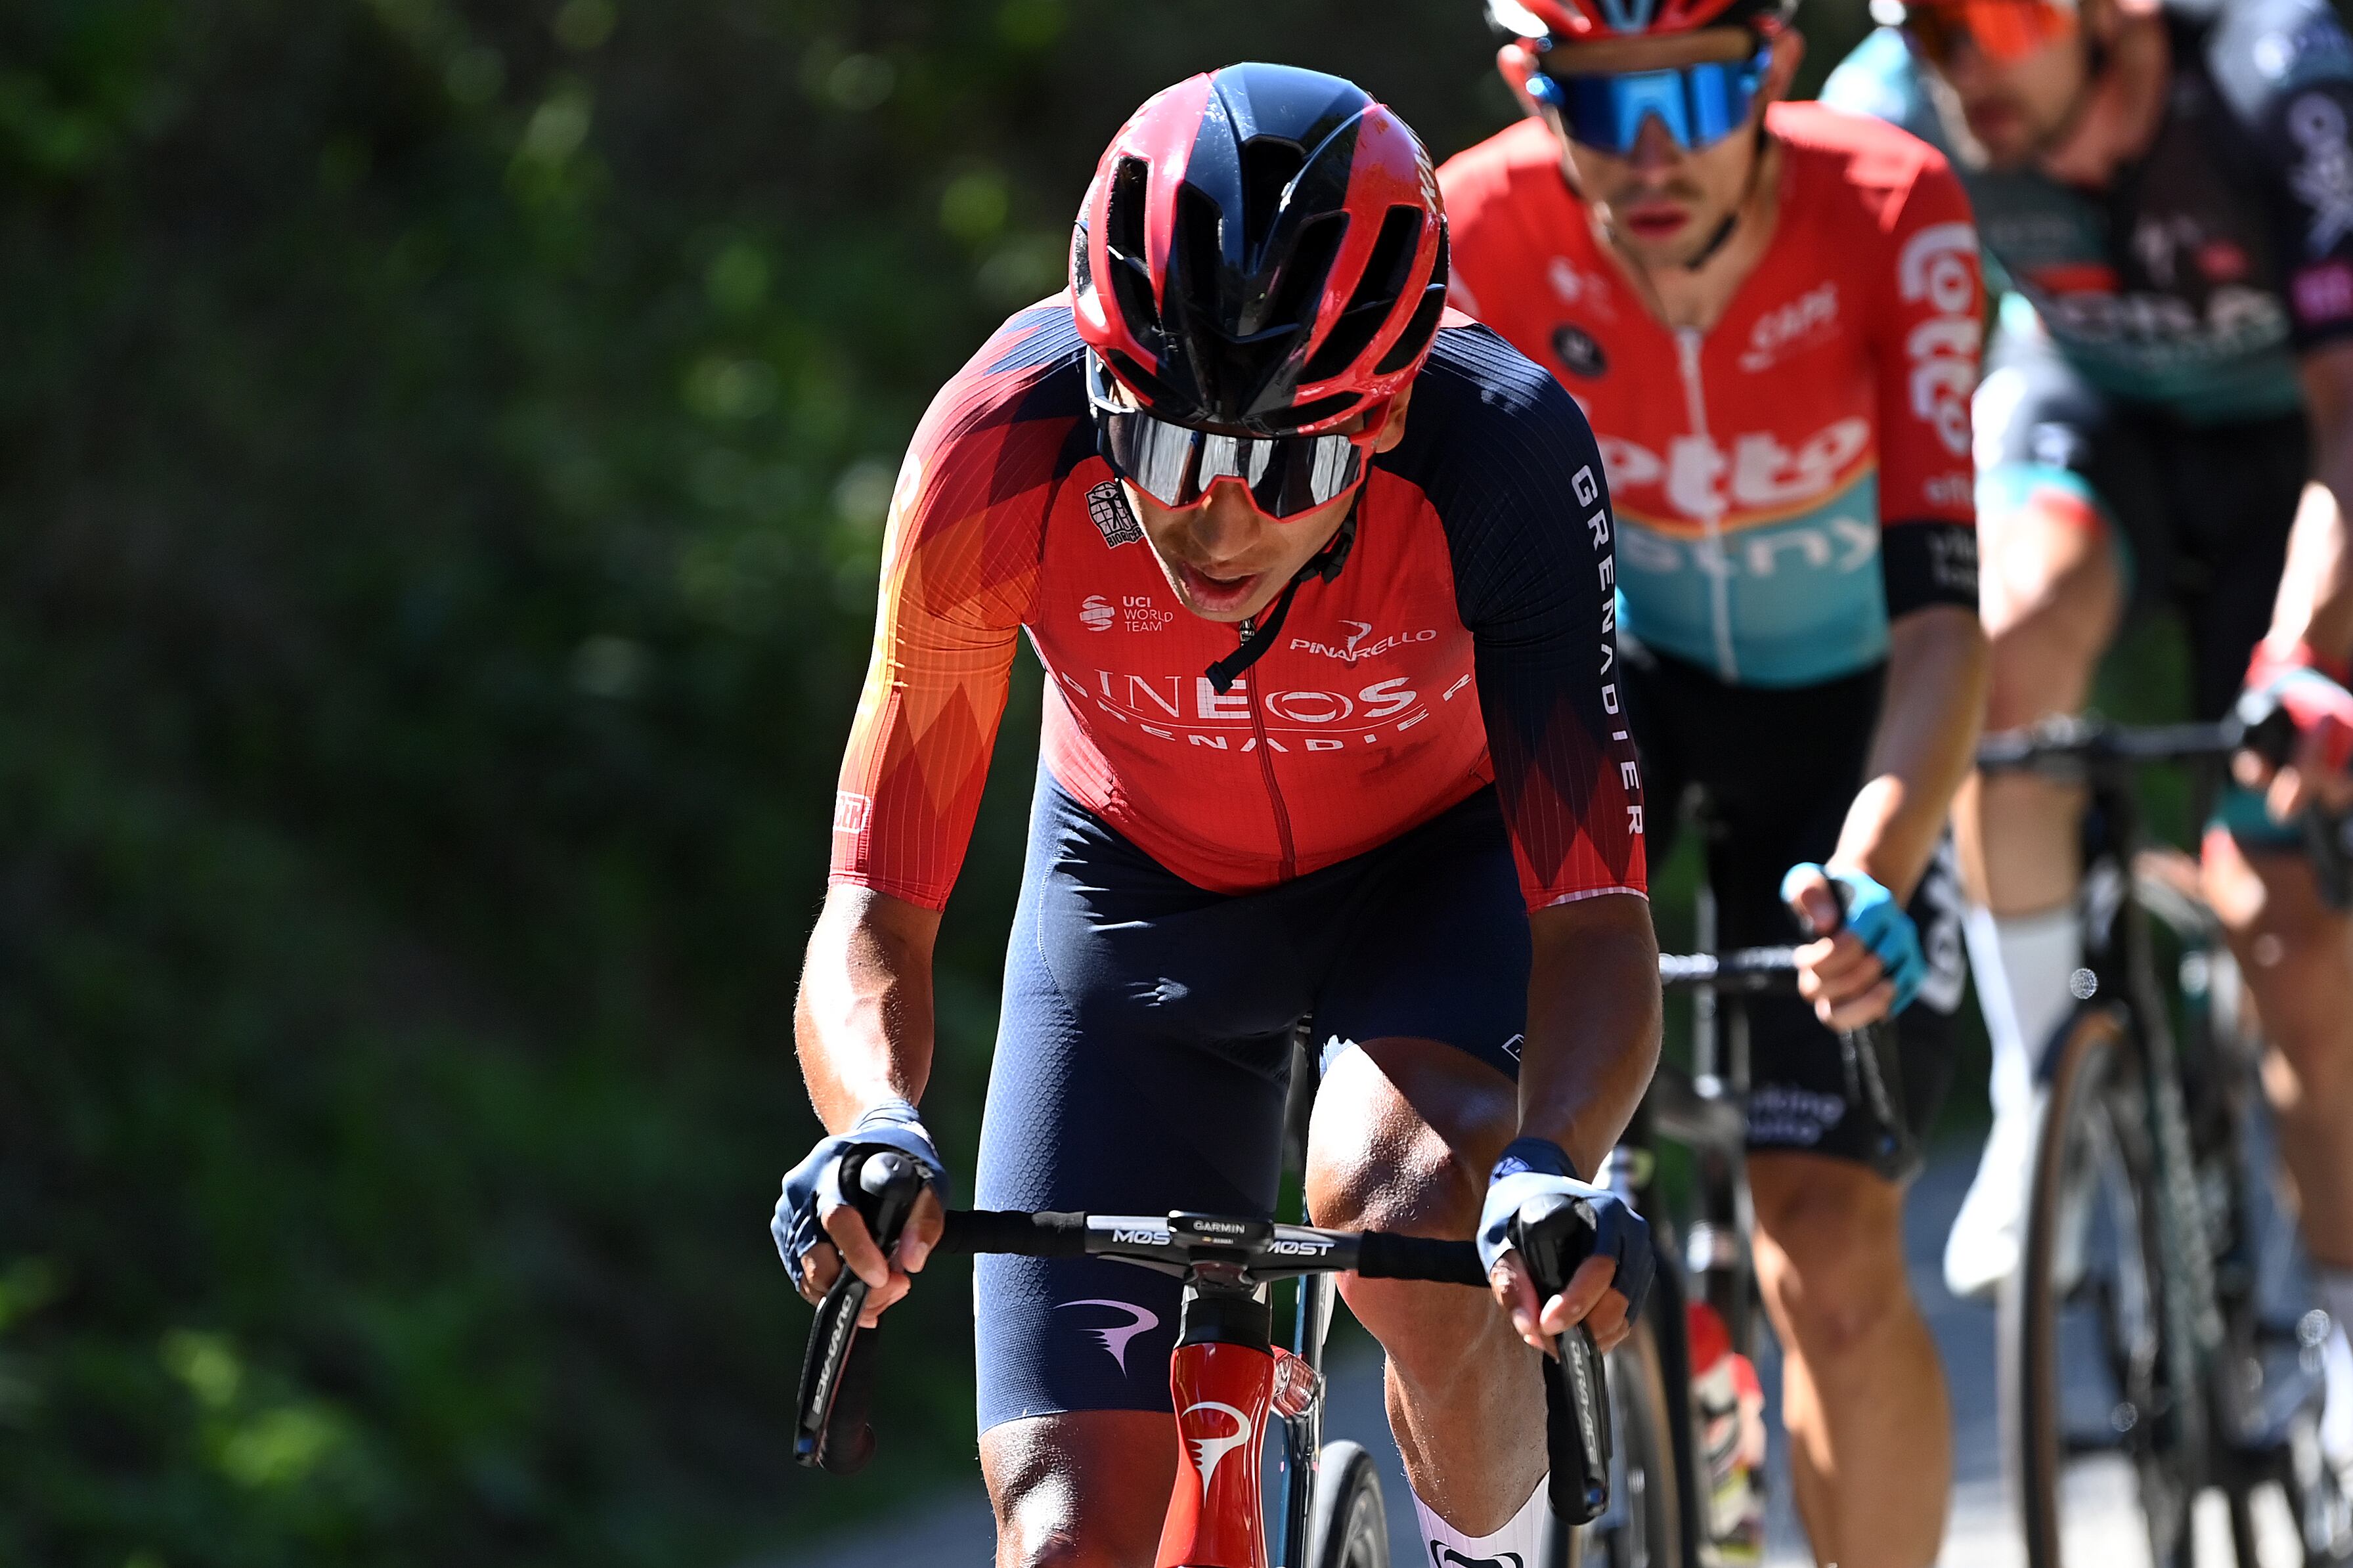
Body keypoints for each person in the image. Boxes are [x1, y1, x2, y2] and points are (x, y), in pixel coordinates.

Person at [772, 64, 1665, 1568]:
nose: (1217, 518)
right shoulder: (999, 444)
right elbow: (874, 903)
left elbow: (1590, 904)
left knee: (1413, 1201)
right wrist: (874, 1124)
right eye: (1171, 447)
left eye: (1290, 462)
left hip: (1432, 879)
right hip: (1134, 894)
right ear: (1104, 381)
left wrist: (1552, 1160)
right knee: (1066, 1538)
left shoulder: (1506, 453)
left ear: (1381, 418)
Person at [1440, 2, 1990, 1563]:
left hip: (1851, 714)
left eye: (1692, 94)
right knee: (1475, 1101)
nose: (1657, 154)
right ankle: (1642, 1334)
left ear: (1771, 74)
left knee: (1821, 1237)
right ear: (1526, 92)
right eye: (1605, 108)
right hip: (1630, 682)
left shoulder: (1895, 208)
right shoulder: (1473, 226)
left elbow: (1949, 622)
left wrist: (1877, 862)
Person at [1822, 0, 2353, 1447]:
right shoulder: (1890, 99)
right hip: (2086, 408)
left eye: (1987, 22)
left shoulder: (2272, 75)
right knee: (1998, 660)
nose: (1955, 65)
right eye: (1925, 29)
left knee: (2287, 918)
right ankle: (2038, 1077)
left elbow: (2347, 409)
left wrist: (2297, 658)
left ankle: (2343, 1304)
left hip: (2298, 456)